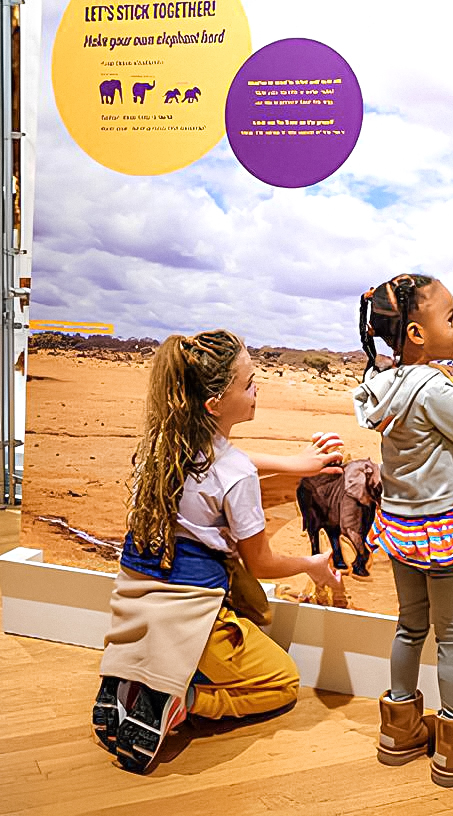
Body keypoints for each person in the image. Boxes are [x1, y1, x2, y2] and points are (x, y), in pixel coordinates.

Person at [92, 329, 346, 774]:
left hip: (135, 602)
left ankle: (132, 679)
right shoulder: (236, 475)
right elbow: (262, 563)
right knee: (283, 681)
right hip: (195, 616)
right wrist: (313, 566)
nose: (256, 391)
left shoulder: (158, 445)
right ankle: (181, 700)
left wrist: (292, 463)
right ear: (214, 404)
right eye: (248, 384)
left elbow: (223, 461)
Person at [353, 274, 453, 787]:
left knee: (409, 626)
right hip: (444, 530)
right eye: (449, 318)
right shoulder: (432, 387)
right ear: (417, 333)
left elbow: (440, 425)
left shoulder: (387, 384)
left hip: (401, 528)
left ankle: (399, 730)